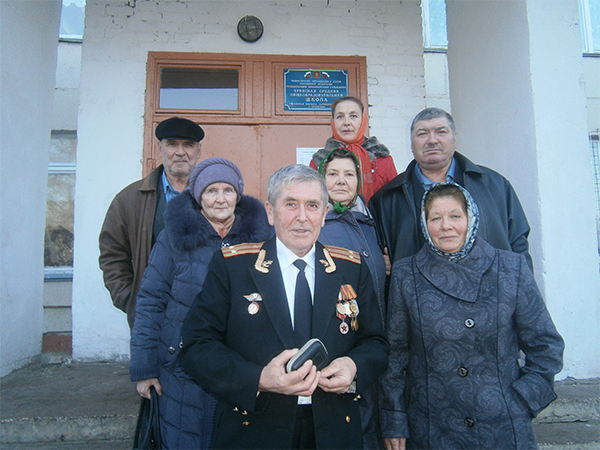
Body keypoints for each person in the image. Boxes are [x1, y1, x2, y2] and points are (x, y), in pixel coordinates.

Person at [180, 164, 389, 449]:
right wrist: (258, 378)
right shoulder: (233, 266)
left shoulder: (351, 268)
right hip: (255, 429)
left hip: (334, 431)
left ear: (325, 213)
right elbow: (196, 345)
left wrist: (354, 366)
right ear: (270, 211)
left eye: (312, 205)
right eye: (291, 204)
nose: (302, 218)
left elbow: (376, 342)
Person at [379, 183, 564, 450]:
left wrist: (523, 401)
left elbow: (546, 346)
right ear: (424, 223)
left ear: (471, 218)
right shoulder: (406, 274)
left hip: (502, 424)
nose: (446, 226)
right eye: (435, 218)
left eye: (455, 216)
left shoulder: (510, 268)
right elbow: (395, 357)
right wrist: (395, 419)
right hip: (432, 426)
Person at [130, 157, 273, 449]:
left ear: (239, 194)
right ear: (198, 196)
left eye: (228, 190)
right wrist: (145, 368)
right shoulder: (174, 238)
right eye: (211, 191)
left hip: (241, 364)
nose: (220, 199)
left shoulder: (261, 239)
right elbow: (151, 301)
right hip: (180, 365)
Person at [369, 107, 533, 272]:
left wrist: (522, 290)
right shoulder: (387, 199)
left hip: (491, 294)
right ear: (412, 144)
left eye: (441, 132)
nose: (432, 140)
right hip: (419, 295)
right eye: (422, 134)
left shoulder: (494, 186)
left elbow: (518, 246)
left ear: (455, 139)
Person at [99, 117, 204, 328]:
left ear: (198, 151)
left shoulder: (216, 197)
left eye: (188, 145)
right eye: (172, 144)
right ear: (160, 149)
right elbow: (113, 255)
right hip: (152, 316)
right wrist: (130, 300)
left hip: (205, 313)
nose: (180, 152)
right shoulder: (128, 200)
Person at [317, 147, 388, 449]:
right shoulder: (316, 225)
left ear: (359, 180)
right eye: (333, 174)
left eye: (349, 174)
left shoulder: (372, 221)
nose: (341, 181)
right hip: (340, 349)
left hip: (376, 342)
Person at [310, 96, 397, 205]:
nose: (347, 122)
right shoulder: (319, 161)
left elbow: (395, 203)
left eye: (353, 116)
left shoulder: (383, 160)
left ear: (363, 120)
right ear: (333, 122)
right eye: (340, 117)